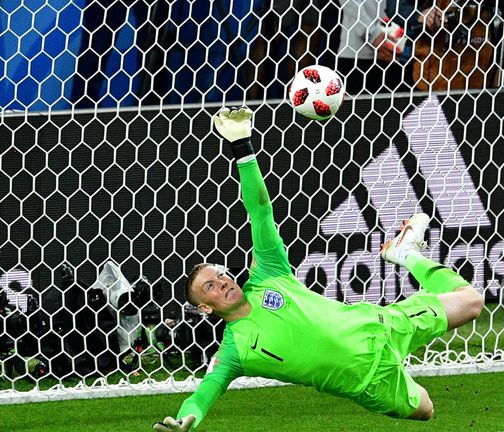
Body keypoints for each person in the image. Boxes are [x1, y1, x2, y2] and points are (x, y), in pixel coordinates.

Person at [152, 106, 484, 431]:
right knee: (425, 410)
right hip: (366, 382)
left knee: (471, 301)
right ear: (205, 308)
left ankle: (407, 253)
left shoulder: (268, 272)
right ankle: (405, 256)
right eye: (209, 287)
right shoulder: (234, 349)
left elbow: (260, 210)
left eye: (219, 274)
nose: (221, 282)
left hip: (380, 325)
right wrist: (186, 419)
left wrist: (242, 146)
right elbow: (205, 392)